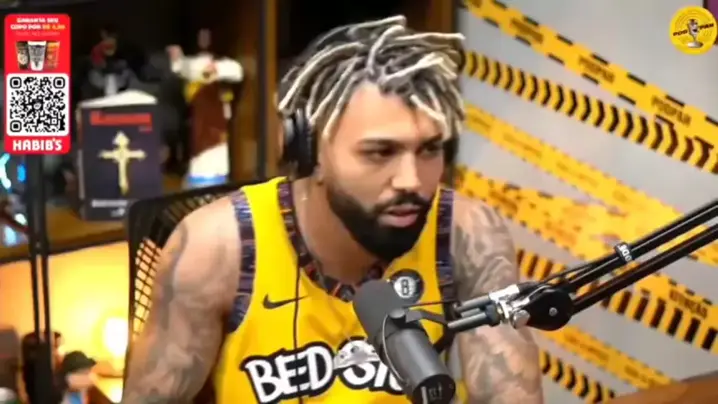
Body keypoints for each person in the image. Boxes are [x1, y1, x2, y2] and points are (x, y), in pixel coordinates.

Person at [122, 15, 543, 404]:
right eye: (380, 152)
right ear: (311, 152)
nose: (412, 180)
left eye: (429, 149)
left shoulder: (464, 233)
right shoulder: (216, 250)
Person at [167, 28, 243, 189]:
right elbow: (183, 67)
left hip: (217, 120)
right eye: (201, 36)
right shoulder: (193, 63)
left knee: (216, 153)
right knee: (199, 152)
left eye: (207, 36)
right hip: (199, 117)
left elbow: (237, 71)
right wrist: (176, 58)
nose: (204, 40)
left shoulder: (224, 63)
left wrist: (217, 69)